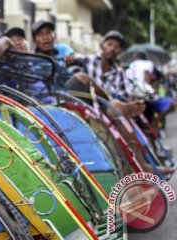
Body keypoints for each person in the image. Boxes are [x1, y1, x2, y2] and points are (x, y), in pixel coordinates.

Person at [65, 30, 175, 174]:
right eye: (109, 44)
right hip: (87, 104)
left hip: (108, 108)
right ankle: (144, 165)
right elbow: (74, 69)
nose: (112, 48)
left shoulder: (119, 71)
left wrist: (131, 103)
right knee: (115, 104)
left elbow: (125, 93)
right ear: (102, 45)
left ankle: (143, 162)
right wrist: (70, 59)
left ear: (120, 51)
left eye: (117, 47)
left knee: (127, 108)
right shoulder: (88, 60)